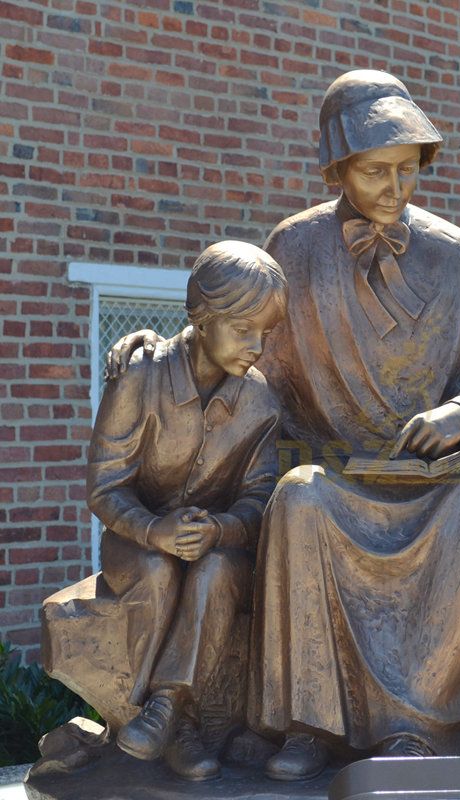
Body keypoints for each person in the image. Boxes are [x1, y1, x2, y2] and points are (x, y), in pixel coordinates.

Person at [106, 70, 460, 781]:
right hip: (335, 476)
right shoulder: (296, 246)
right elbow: (243, 355)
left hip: (433, 485)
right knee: (298, 500)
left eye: (407, 171)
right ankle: (311, 723)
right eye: (375, 172)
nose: (395, 189)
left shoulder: (456, 255)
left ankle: (419, 724)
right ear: (338, 167)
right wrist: (158, 349)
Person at [89, 241, 286, 780]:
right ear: (203, 318)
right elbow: (105, 487)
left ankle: (169, 710)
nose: (257, 346)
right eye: (244, 328)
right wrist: (154, 532)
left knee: (218, 571)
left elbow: (260, 499)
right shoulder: (140, 376)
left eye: (265, 332)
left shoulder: (260, 403)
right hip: (135, 541)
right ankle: (170, 724)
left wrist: (219, 530)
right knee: (156, 570)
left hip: (216, 548)